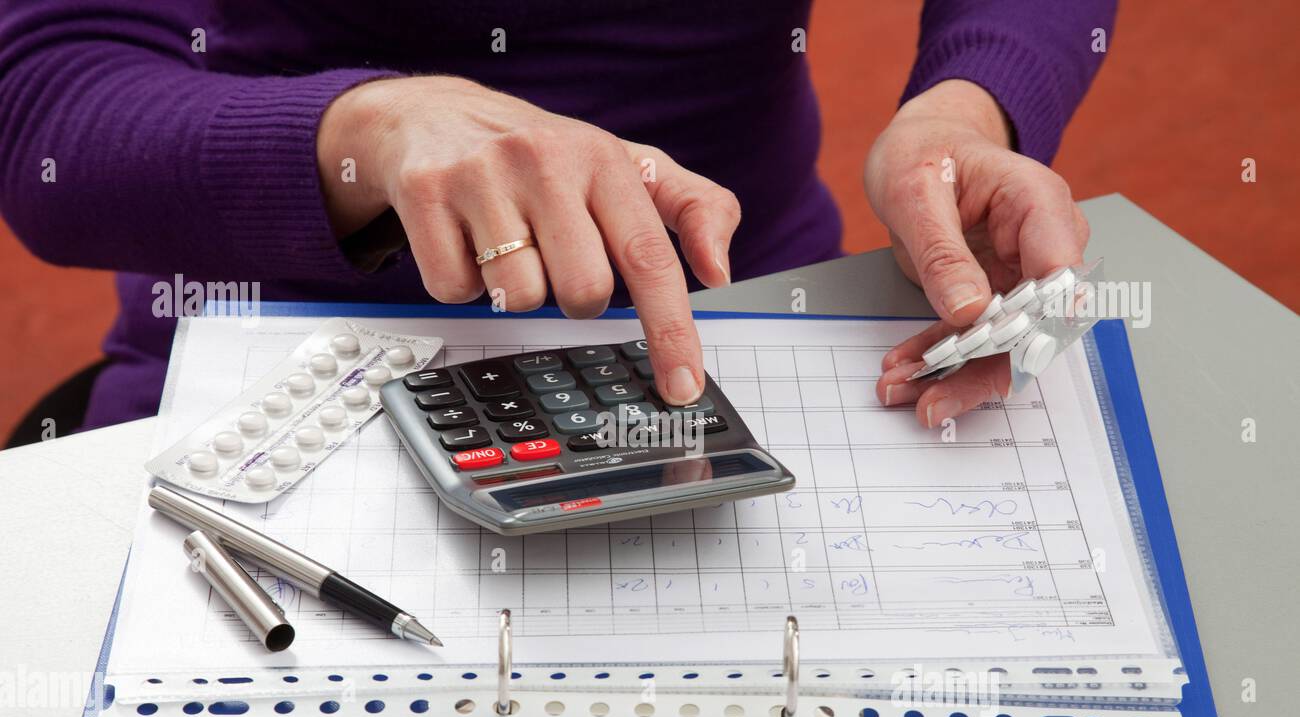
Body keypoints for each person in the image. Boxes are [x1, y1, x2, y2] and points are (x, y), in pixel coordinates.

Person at [0, 0, 1113, 431]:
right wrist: (369, 129)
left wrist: (968, 109)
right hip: (274, 348)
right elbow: (47, 101)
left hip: (749, 320)